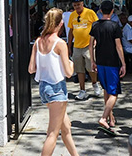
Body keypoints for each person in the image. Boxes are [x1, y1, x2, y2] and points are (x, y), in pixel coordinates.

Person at [28, 8, 78, 156]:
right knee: (52, 134)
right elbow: (69, 73)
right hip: (57, 88)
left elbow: (31, 69)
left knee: (66, 127)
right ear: (61, 23)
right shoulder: (60, 43)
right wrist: (72, 64)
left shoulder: (38, 41)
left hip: (44, 87)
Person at [89, 0, 126, 136]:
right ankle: (104, 117)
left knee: (106, 90)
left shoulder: (95, 25)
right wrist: (123, 63)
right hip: (112, 62)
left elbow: (91, 44)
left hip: (100, 61)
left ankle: (111, 118)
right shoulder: (115, 26)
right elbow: (118, 46)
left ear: (100, 10)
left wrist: (93, 61)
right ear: (112, 11)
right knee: (114, 92)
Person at [67, 0, 102, 100]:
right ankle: (82, 90)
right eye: (75, 5)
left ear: (82, 4)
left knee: (91, 67)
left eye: (78, 4)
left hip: (89, 45)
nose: (77, 7)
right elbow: (71, 31)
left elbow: (97, 27)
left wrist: (96, 40)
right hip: (77, 46)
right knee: (79, 69)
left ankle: (95, 84)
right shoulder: (72, 15)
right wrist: (69, 46)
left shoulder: (90, 13)